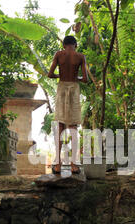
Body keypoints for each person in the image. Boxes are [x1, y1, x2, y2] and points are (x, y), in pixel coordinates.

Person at [48, 35, 88, 174]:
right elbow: (85, 78)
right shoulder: (80, 56)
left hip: (62, 88)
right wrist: (75, 77)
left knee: (60, 125)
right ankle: (74, 165)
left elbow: (50, 74)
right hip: (74, 89)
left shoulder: (59, 54)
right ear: (75, 45)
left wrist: (60, 76)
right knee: (73, 127)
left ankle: (57, 164)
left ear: (64, 45)